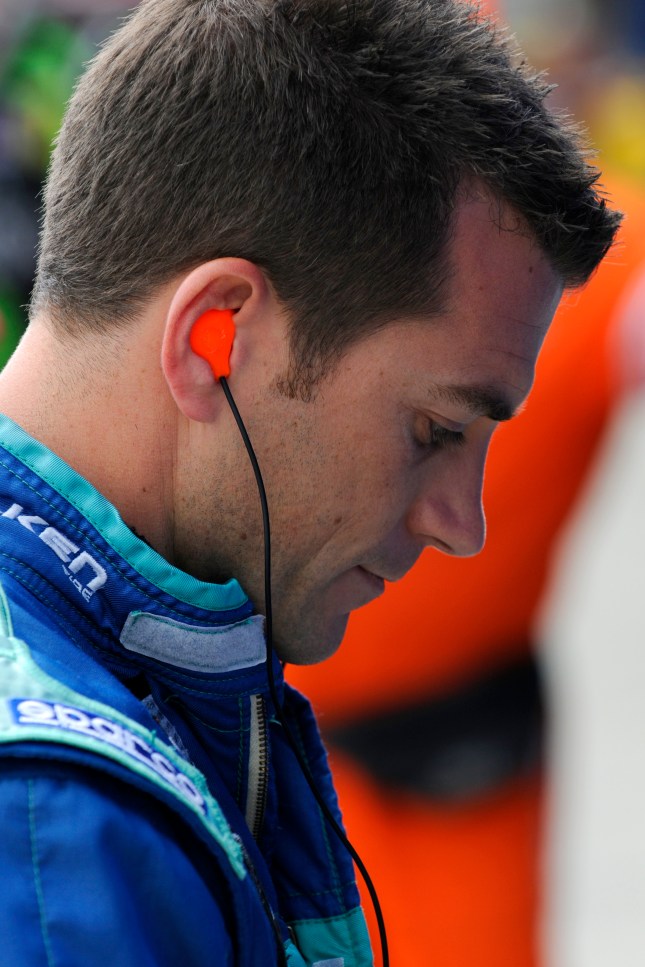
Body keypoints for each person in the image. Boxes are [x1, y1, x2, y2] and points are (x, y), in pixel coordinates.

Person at [0, 0, 619, 964]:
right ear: (214, 337)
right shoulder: (59, 821)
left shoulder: (124, 699)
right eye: (434, 430)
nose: (460, 524)